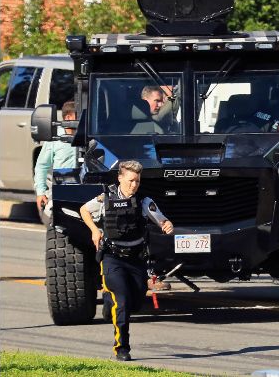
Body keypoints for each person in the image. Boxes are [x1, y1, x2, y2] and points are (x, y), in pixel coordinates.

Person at [79, 160, 175, 361]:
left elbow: (162, 219)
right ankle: (122, 348)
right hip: (112, 258)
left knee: (135, 303)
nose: (134, 185)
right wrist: (94, 230)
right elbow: (84, 210)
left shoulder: (144, 201)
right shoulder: (106, 198)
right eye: (131, 180)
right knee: (121, 302)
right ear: (120, 178)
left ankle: (109, 300)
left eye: (138, 181)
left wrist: (167, 225)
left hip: (136, 260)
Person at [34, 101, 77, 219]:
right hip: (62, 190)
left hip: (87, 191)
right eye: (79, 116)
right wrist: (41, 192)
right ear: (68, 117)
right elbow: (41, 166)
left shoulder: (89, 137)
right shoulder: (55, 138)